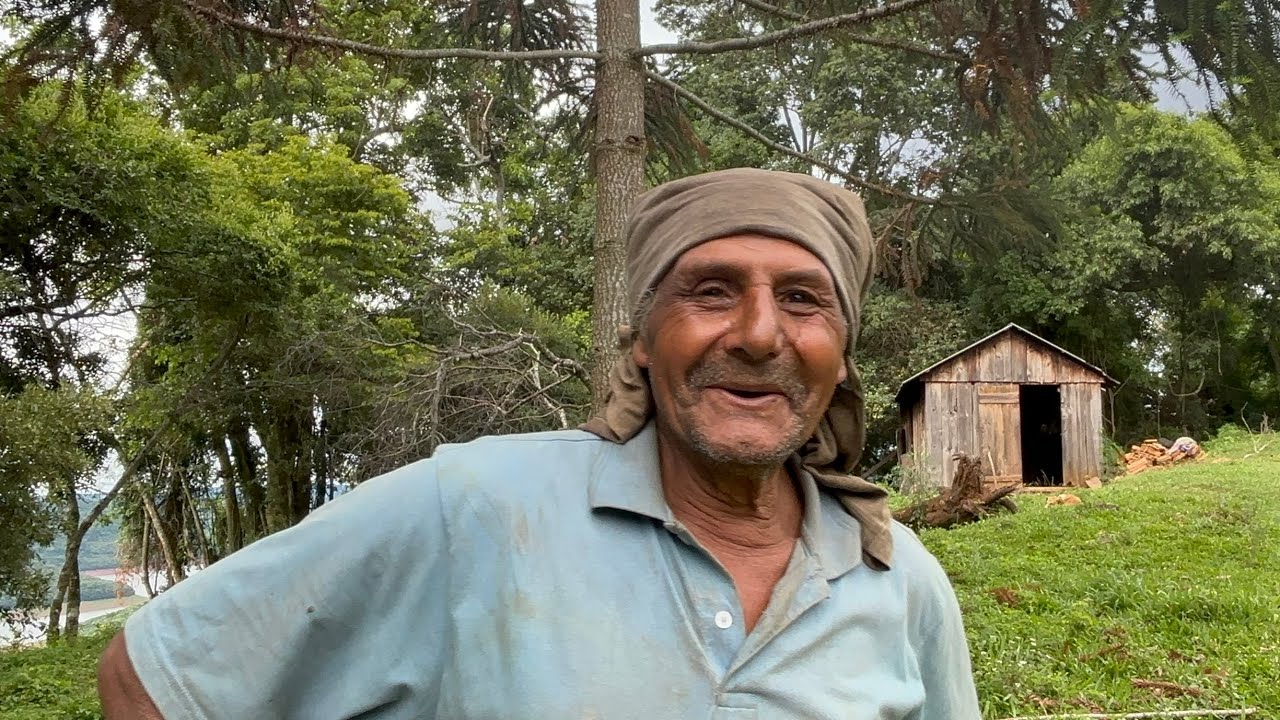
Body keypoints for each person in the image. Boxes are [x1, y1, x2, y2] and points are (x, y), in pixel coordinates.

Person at [98, 168, 981, 719]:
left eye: (801, 299)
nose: (757, 333)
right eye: (710, 291)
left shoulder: (899, 583)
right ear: (641, 338)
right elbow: (157, 679)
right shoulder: (479, 505)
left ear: (842, 347)